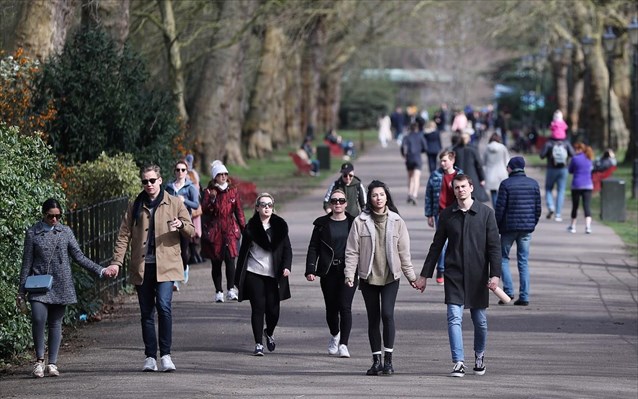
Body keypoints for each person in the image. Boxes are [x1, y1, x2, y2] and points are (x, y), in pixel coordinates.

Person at [18, 198, 117, 378]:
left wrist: (101, 270)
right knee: (38, 319)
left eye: (58, 216)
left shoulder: (65, 232)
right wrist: (21, 291)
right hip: (38, 284)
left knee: (56, 323)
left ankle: (53, 363)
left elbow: (79, 256)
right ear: (43, 214)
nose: (54, 220)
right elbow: (26, 263)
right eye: (50, 216)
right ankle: (39, 361)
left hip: (61, 283)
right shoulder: (33, 232)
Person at [110, 164, 195, 372]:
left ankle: (166, 355)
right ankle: (150, 356)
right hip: (143, 266)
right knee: (146, 312)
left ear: (159, 180)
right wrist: (116, 262)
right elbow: (123, 235)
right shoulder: (135, 205)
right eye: (145, 181)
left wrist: (181, 225)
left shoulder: (174, 203)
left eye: (152, 180)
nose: (148, 184)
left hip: (166, 266)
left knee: (164, 307)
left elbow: (191, 230)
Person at [416, 174, 501, 378]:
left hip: (478, 275)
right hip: (454, 274)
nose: (460, 190)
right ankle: (458, 362)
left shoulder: (486, 214)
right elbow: (436, 246)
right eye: (456, 188)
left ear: (471, 188)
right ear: (453, 191)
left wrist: (495, 275)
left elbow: (494, 248)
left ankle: (479, 356)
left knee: (480, 320)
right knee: (454, 317)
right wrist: (424, 275)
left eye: (464, 186)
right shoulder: (447, 215)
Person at [344, 180, 419, 376]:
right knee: (373, 317)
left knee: (387, 314)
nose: (378, 198)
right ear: (369, 198)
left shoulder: (396, 221)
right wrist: (349, 274)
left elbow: (404, 252)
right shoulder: (360, 221)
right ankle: (376, 360)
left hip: (390, 276)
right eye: (375, 195)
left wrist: (412, 277)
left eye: (382, 195)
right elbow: (352, 251)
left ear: (387, 197)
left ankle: (388, 360)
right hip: (368, 277)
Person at [235, 193, 292, 356]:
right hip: (254, 273)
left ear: (273, 208)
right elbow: (243, 254)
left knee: (274, 311)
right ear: (257, 207)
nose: (266, 207)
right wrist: (237, 279)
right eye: (263, 204)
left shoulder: (280, 227)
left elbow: (287, 250)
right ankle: (258, 343)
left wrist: (287, 266)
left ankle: (269, 332)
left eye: (269, 205)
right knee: (258, 308)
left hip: (274, 275)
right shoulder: (251, 228)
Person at [305, 189, 357, 358]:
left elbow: (361, 248)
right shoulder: (321, 224)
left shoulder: (354, 222)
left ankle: (344, 344)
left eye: (341, 201)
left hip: (348, 270)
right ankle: (335, 335)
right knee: (331, 308)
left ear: (346, 203)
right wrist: (311, 269)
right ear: (330, 204)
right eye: (334, 201)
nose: (338, 204)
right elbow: (313, 247)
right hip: (328, 271)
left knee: (345, 306)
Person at [494, 157, 541, 306]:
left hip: (508, 228)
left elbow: (500, 209)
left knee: (503, 258)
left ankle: (508, 291)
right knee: (523, 261)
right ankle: (524, 296)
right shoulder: (533, 184)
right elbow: (537, 208)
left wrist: (496, 226)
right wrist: (532, 223)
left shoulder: (506, 184)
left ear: (511, 168)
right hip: (526, 229)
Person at [201, 160, 246, 302]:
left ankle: (231, 289)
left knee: (231, 260)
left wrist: (245, 230)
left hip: (230, 229)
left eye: (225, 174)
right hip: (215, 231)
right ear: (215, 177)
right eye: (220, 174)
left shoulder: (233, 191)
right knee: (216, 262)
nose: (223, 177)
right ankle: (218, 291)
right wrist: (212, 201)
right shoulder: (208, 192)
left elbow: (239, 212)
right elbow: (204, 209)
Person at [424, 150, 462, 285]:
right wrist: (429, 214)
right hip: (440, 213)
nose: (442, 163)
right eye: (441, 161)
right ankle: (441, 269)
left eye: (445, 160)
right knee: (442, 243)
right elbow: (428, 195)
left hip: (457, 212)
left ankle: (455, 269)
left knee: (457, 241)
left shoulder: (460, 175)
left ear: (452, 161)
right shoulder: (435, 175)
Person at [165, 159, 200, 290]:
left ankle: (185, 268)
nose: (180, 172)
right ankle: (174, 282)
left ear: (187, 172)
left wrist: (184, 200)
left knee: (183, 253)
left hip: (185, 223)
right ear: (174, 172)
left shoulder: (190, 187)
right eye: (178, 170)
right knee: (172, 252)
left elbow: (196, 205)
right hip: (171, 223)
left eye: (183, 170)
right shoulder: (169, 187)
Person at [540, 110, 575, 222]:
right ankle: (558, 214)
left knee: (549, 189)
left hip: (551, 168)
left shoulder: (549, 143)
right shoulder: (566, 142)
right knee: (561, 191)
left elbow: (541, 155)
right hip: (563, 169)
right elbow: (573, 154)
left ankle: (551, 206)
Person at [452, 131, 489, 203]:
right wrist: (482, 178)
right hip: (472, 177)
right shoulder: (473, 149)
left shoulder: (455, 149)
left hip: (459, 176)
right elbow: (479, 165)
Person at [567, 143, 595, 234]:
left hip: (576, 185)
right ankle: (588, 227)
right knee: (586, 206)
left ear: (579, 149)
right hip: (588, 185)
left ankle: (573, 226)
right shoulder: (589, 158)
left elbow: (570, 170)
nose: (575, 151)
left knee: (575, 206)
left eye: (576, 149)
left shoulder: (574, 159)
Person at [401, 122, 428, 205]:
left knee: (410, 177)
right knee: (416, 177)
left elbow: (402, 147)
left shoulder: (406, 137)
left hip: (409, 158)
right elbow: (425, 148)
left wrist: (404, 155)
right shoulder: (420, 136)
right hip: (417, 158)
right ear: (417, 128)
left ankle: (409, 193)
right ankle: (414, 194)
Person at [184, 154, 204, 265]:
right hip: (195, 207)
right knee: (195, 232)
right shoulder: (194, 174)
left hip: (191, 208)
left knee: (191, 232)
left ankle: (194, 255)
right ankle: (195, 255)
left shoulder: (189, 176)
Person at [483, 133, 509, 208]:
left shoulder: (487, 148)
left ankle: (496, 209)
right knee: (502, 193)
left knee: (493, 194)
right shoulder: (503, 148)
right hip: (501, 173)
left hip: (490, 174)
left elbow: (484, 162)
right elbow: (507, 160)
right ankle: (502, 208)